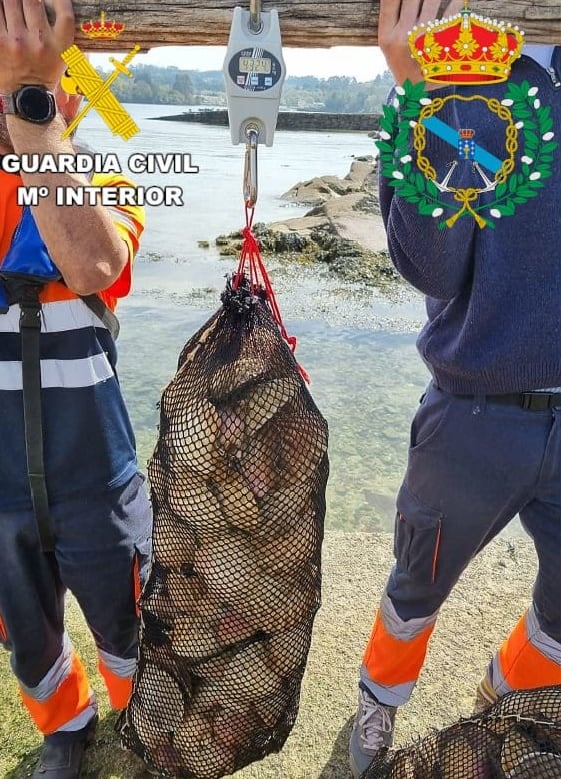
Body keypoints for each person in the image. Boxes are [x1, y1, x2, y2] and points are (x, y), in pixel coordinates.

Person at [349, 0, 561, 776]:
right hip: (473, 411)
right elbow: (429, 268)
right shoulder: (468, 79)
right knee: (417, 580)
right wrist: (422, 95)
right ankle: (377, 703)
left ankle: (509, 699)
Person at [0, 1, 152, 777]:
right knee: (27, 630)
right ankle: (68, 724)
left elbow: (93, 263)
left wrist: (32, 107)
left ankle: (137, 712)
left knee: (129, 617)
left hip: (98, 472)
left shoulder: (98, 169)